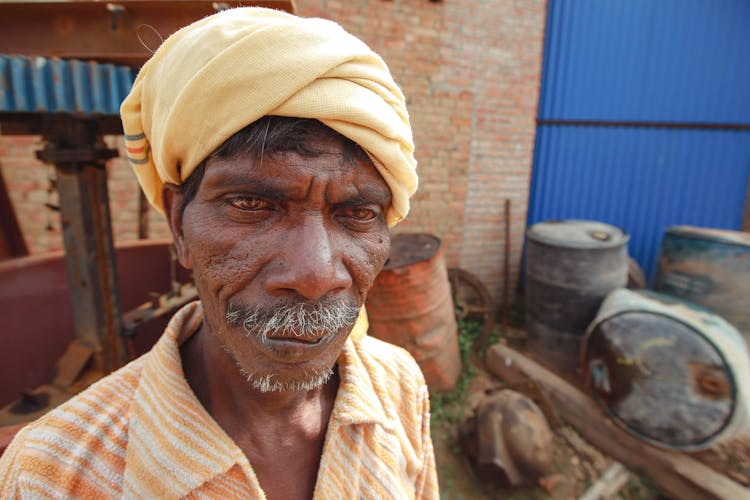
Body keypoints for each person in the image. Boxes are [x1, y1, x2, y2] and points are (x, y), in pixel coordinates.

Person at [0, 7, 438, 499]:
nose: (315, 275)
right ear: (177, 224)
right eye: (251, 204)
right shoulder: (50, 476)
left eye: (358, 213)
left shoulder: (399, 386)